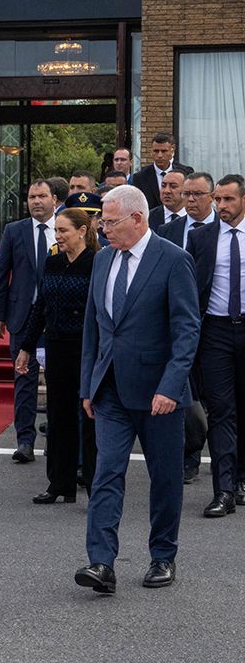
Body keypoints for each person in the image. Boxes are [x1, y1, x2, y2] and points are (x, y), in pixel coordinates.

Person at [75, 184, 198, 594]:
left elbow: (186, 330)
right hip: (109, 388)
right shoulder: (103, 259)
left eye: (109, 222)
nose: (102, 228)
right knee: (107, 472)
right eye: (101, 221)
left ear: (138, 219)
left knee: (164, 477)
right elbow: (94, 326)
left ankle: (163, 556)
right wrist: (88, 385)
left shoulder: (173, 260)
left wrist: (171, 385)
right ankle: (101, 563)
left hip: (158, 394)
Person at [15, 206, 99, 504]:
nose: (58, 236)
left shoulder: (98, 262)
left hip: (88, 349)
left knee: (89, 419)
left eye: (63, 230)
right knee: (58, 416)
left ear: (82, 231)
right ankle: (59, 483)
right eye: (56, 230)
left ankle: (92, 484)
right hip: (57, 347)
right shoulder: (52, 263)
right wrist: (26, 346)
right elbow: (41, 307)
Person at [186, 174, 245, 517]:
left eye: (228, 200)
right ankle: (223, 490)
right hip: (215, 332)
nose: (221, 206)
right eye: (218, 200)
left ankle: (241, 478)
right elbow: (190, 287)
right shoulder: (201, 238)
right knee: (222, 410)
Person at [0, 179, 57, 463]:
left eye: (42, 196)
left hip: (58, 319)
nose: (36, 201)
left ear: (54, 199)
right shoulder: (14, 231)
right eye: (32, 197)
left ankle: (56, 437)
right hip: (23, 317)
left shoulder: (66, 228)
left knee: (60, 381)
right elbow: (1, 273)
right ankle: (25, 441)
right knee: (24, 380)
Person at [159, 171, 215, 484]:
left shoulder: (223, 231)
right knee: (186, 393)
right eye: (187, 194)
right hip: (179, 327)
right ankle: (189, 458)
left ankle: (224, 461)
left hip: (216, 324)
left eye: (196, 194)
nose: (190, 200)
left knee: (216, 398)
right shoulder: (168, 231)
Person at [129, 132, 191, 209]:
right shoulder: (140, 177)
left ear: (172, 150)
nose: (160, 155)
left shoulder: (186, 173)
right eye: (156, 151)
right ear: (151, 151)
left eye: (164, 151)